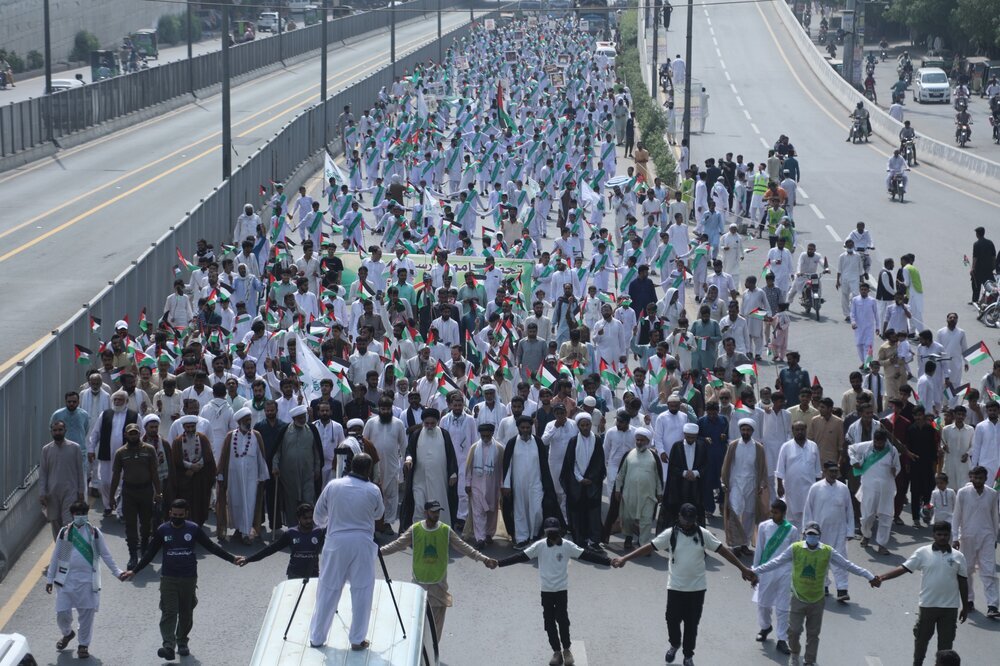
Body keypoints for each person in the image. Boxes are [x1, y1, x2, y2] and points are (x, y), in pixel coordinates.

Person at [613, 503, 756, 665]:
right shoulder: (671, 534)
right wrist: (625, 558)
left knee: (691, 625)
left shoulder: (703, 534)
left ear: (695, 519)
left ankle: (688, 656)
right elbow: (649, 547)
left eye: (691, 520)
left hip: (697, 589)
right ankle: (674, 644)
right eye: (685, 519)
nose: (687, 523)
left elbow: (722, 551)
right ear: (679, 517)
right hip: (675, 587)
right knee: (671, 619)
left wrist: (742, 568)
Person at [126, 499, 244, 660]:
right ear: (170, 514)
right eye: (174, 515)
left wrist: (232, 558)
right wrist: (135, 571)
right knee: (169, 611)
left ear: (186, 514)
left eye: (180, 515)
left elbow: (212, 547)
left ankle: (182, 641)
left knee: (186, 612)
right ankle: (168, 645)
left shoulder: (193, 529)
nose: (177, 518)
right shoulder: (162, 530)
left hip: (189, 578)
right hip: (168, 578)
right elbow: (150, 553)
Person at [752, 521, 880, 666]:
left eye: (815, 534)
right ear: (805, 535)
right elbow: (776, 562)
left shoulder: (827, 551)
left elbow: (847, 565)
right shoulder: (795, 548)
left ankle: (809, 661)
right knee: (793, 632)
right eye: (809, 534)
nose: (812, 537)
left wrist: (869, 576)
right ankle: (794, 654)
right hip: (798, 598)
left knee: (813, 635)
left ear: (819, 536)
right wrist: (754, 571)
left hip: (817, 600)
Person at [500, 516, 612, 666]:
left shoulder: (567, 546)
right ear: (545, 532)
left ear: (559, 531)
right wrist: (499, 563)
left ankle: (567, 650)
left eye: (554, 531)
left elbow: (587, 555)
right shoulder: (539, 546)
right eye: (549, 532)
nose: (552, 534)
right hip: (546, 591)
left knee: (563, 621)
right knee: (549, 623)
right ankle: (556, 652)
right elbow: (520, 556)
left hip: (561, 591)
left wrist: (609, 561)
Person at [381, 499, 497, 639]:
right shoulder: (415, 529)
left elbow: (463, 547)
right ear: (425, 513)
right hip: (419, 583)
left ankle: (433, 653)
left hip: (438, 584)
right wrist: (378, 551)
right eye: (433, 512)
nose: (436, 515)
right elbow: (397, 545)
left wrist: (483, 559)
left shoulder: (445, 530)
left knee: (436, 628)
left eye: (437, 512)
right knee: (418, 622)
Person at [307, 453, 384, 651]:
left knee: (328, 589)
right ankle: (357, 639)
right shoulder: (373, 489)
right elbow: (379, 514)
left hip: (336, 542)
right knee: (362, 591)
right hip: (362, 543)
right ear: (368, 470)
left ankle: (317, 637)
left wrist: (331, 523)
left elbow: (318, 516)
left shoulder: (334, 485)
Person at [876, 521, 970, 665]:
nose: (943, 537)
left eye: (945, 535)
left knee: (945, 648)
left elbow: (963, 582)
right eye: (939, 534)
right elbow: (904, 568)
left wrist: (965, 606)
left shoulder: (958, 556)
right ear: (933, 535)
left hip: (949, 609)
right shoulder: (923, 552)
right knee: (921, 640)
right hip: (927, 606)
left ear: (950, 535)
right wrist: (882, 577)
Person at [45, 501, 127, 660]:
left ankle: (83, 645)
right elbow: (56, 557)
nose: (81, 516)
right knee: (62, 613)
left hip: (88, 581)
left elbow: (106, 555)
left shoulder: (94, 533)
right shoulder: (65, 533)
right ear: (73, 515)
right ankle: (67, 634)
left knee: (86, 614)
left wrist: (117, 572)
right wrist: (49, 579)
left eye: (83, 513)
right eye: (78, 514)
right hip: (66, 580)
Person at [502, 415, 562, 548]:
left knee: (537, 511)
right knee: (520, 511)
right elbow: (507, 465)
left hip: (536, 483)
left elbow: (544, 465)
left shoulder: (538, 442)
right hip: (518, 484)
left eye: (527, 427)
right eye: (522, 427)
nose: (525, 430)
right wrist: (506, 485)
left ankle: (535, 536)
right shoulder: (512, 443)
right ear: (518, 428)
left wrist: (546, 484)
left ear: (531, 428)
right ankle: (522, 538)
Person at [109, 423, 162, 569]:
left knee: (146, 524)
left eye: (135, 433)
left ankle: (144, 550)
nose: (133, 436)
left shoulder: (149, 450)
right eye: (130, 433)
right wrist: (111, 496)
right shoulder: (121, 453)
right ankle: (133, 555)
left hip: (146, 491)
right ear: (126, 435)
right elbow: (116, 476)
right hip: (129, 492)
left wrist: (159, 493)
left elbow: (154, 473)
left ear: (140, 434)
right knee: (130, 525)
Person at [752, 499, 799, 657]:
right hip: (766, 571)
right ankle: (765, 627)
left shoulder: (792, 530)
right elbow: (759, 550)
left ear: (784, 513)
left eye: (776, 512)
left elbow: (795, 555)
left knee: (783, 608)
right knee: (763, 604)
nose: (773, 515)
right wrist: (755, 571)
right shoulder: (764, 527)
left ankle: (782, 639)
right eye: (771, 511)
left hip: (785, 572)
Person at [951, 466, 999, 617]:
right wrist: (954, 538)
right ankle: (969, 600)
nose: (977, 481)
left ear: (985, 479)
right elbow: (956, 516)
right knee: (967, 570)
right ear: (971, 477)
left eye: (980, 478)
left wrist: (995, 537)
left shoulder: (992, 494)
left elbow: (995, 517)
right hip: (967, 537)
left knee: (988, 570)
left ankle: (992, 605)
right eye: (975, 478)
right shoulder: (963, 493)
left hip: (987, 537)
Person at [803, 461, 854, 602]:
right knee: (820, 559)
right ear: (824, 471)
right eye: (831, 471)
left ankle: (842, 589)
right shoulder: (815, 488)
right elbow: (808, 510)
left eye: (835, 471)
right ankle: (823, 585)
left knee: (841, 560)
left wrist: (850, 531)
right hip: (820, 531)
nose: (833, 474)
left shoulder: (843, 488)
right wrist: (806, 530)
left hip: (839, 531)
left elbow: (849, 510)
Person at [217, 408, 269, 544]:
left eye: (249, 420)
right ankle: (239, 529)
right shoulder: (231, 436)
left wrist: (263, 475)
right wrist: (220, 474)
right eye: (245, 420)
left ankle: (246, 533)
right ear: (239, 422)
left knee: (250, 503)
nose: (248, 422)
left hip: (251, 479)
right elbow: (223, 456)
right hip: (234, 478)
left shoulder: (256, 435)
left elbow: (260, 456)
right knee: (235, 504)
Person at [401, 408, 460, 527]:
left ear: (437, 422)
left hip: (439, 480)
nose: (429, 426)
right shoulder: (416, 434)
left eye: (432, 423)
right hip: (419, 479)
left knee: (438, 508)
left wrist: (453, 473)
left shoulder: (444, 434)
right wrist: (408, 459)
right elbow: (409, 451)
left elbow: (451, 456)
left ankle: (439, 534)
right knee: (418, 507)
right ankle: (418, 534)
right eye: (426, 423)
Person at [720, 418, 769, 556]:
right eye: (743, 430)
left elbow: (762, 468)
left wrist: (761, 484)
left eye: (748, 430)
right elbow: (726, 465)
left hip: (752, 484)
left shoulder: (758, 448)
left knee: (749, 514)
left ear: (752, 431)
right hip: (735, 484)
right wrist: (724, 481)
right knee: (735, 512)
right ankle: (735, 543)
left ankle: (744, 544)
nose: (745, 432)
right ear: (740, 430)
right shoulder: (733, 445)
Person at [560, 412, 606, 551]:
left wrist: (591, 478)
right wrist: (580, 478)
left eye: (587, 425)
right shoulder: (573, 441)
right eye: (582, 425)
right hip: (577, 483)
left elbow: (599, 462)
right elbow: (570, 463)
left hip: (593, 484)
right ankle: (580, 540)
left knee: (593, 513)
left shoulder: (597, 440)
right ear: (578, 426)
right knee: (577, 512)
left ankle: (594, 541)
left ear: (591, 425)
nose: (585, 427)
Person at [242, 502, 325, 578]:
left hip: (313, 576)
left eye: (310, 517)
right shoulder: (291, 533)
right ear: (298, 518)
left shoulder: (319, 532)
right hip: (295, 575)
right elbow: (270, 549)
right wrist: (248, 559)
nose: (309, 521)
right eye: (305, 518)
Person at [272, 404, 324, 526]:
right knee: (291, 503)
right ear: (294, 418)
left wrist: (317, 468)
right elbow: (277, 451)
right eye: (300, 418)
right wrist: (275, 466)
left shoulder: (311, 429)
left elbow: (317, 451)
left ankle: (311, 528)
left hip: (308, 474)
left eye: (303, 417)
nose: (302, 419)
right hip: (289, 475)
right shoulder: (285, 430)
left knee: (308, 500)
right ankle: (293, 529)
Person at [850, 430, 900, 555]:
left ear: (885, 441)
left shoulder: (892, 450)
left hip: (886, 489)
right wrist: (854, 461)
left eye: (880, 442)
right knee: (867, 516)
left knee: (886, 516)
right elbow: (851, 449)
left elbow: (897, 467)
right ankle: (866, 535)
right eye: (876, 442)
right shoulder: (866, 446)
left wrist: (895, 471)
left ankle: (882, 544)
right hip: (869, 488)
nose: (878, 444)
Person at [613, 427, 662, 548]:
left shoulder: (653, 456)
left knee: (646, 521)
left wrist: (660, 492)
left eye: (642, 440)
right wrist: (618, 489)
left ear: (647, 441)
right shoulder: (629, 454)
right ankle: (628, 537)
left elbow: (658, 477)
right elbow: (621, 474)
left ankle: (644, 544)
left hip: (648, 495)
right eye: (637, 440)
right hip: (630, 494)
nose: (639, 442)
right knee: (627, 518)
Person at [40, 421, 86, 541]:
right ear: (51, 432)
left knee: (68, 522)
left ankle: (69, 550)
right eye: (55, 430)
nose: (57, 432)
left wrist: (81, 491)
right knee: (55, 521)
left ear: (65, 430)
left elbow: (80, 471)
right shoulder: (46, 449)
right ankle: (60, 550)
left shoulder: (75, 447)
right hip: (52, 492)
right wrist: (42, 493)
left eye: (60, 430)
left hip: (70, 491)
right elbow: (43, 472)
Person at [465, 421, 505, 548]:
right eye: (483, 436)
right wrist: (467, 483)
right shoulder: (474, 448)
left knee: (492, 512)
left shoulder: (499, 448)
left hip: (493, 486)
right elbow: (469, 468)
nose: (486, 439)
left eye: (488, 436)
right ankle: (480, 538)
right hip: (476, 486)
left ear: (493, 434)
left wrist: (503, 486)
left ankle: (489, 534)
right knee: (478, 513)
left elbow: (503, 469)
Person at [661, 423, 708, 529]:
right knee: (678, 511)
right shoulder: (677, 446)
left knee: (696, 510)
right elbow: (672, 466)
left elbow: (706, 464)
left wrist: (695, 473)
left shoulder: (702, 445)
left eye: (693, 437)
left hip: (696, 486)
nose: (690, 439)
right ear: (684, 434)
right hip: (679, 486)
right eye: (688, 437)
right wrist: (684, 473)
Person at [775, 421, 822, 528]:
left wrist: (818, 487)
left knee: (809, 515)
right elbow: (780, 468)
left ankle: (806, 541)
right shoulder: (786, 446)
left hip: (809, 488)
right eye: (797, 429)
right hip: (792, 488)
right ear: (793, 431)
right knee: (792, 517)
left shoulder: (813, 446)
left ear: (806, 430)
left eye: (802, 429)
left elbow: (818, 470)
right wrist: (779, 485)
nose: (800, 432)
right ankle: (794, 541)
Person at [970, 226, 996, 304]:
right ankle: (990, 300)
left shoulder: (976, 244)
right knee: (990, 285)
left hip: (978, 269)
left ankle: (975, 300)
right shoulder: (990, 243)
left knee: (976, 285)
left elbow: (975, 258)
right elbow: (993, 256)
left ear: (977, 234)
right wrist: (993, 266)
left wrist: (972, 268)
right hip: (988, 269)